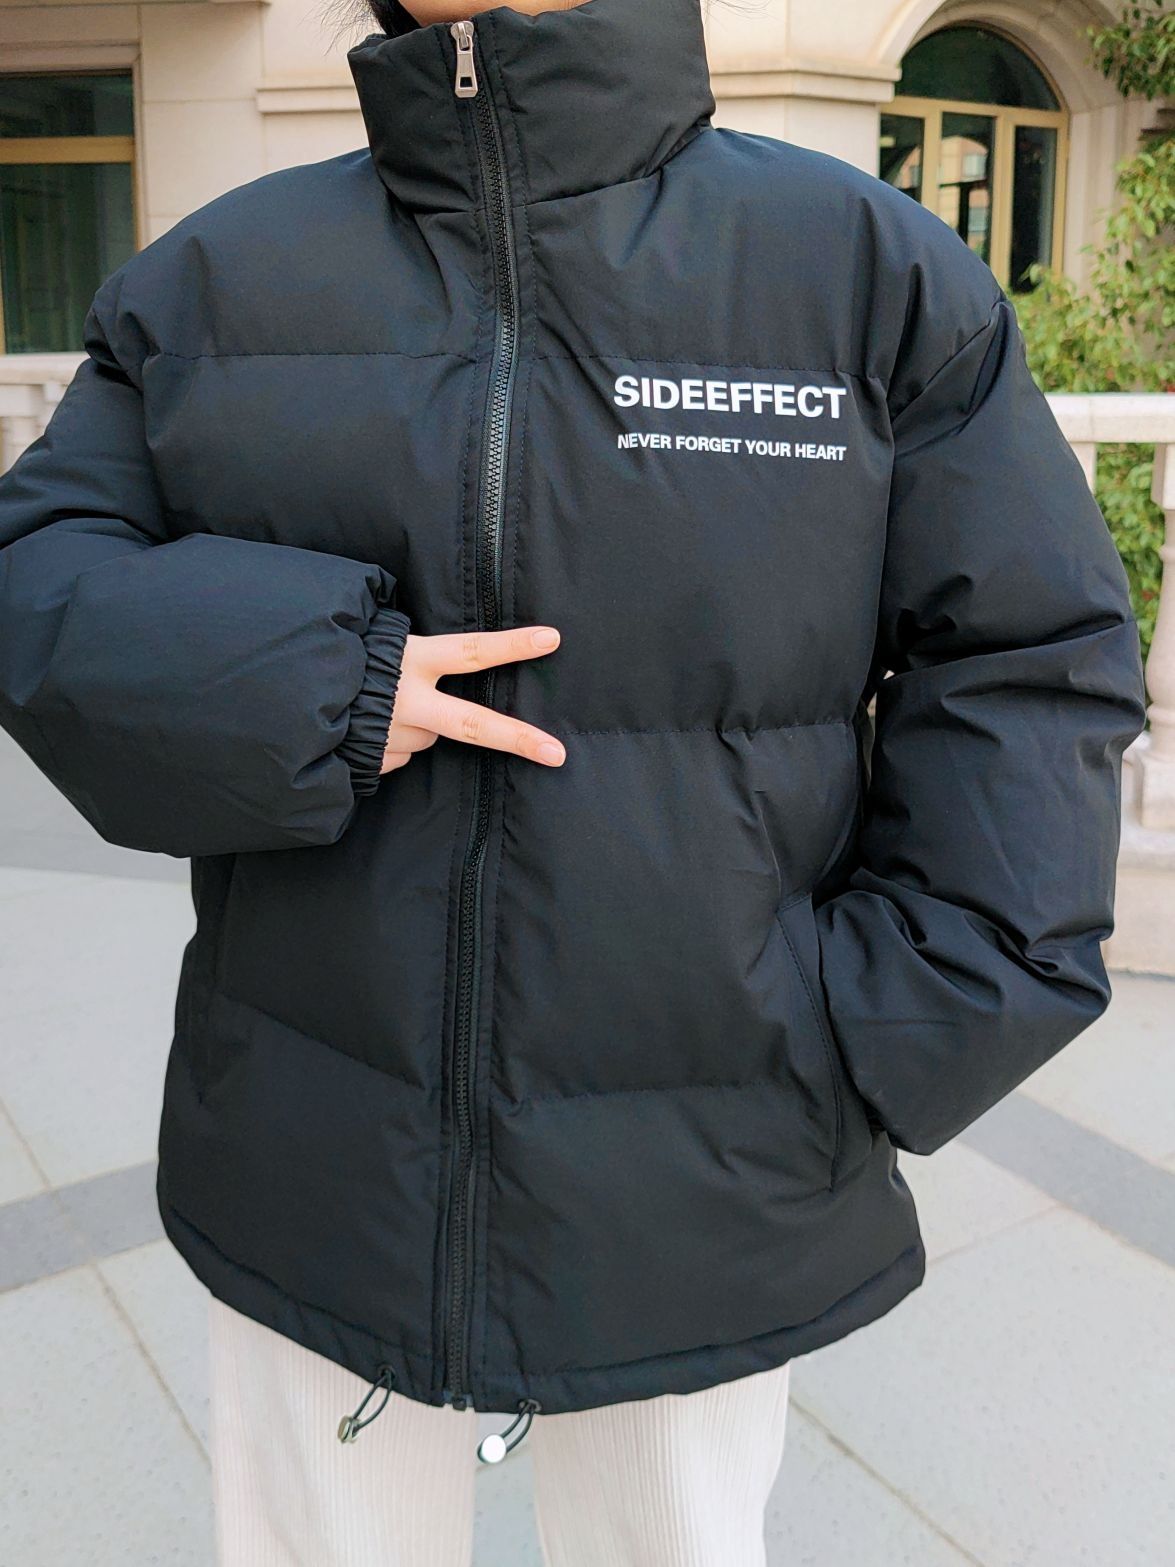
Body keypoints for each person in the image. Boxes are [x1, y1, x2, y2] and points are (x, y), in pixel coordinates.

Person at [0, 0, 1147, 1561]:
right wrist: (322, 680)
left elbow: (1028, 651)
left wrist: (888, 1028)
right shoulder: (219, 277)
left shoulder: (860, 273)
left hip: (713, 1163)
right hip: (314, 1152)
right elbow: (39, 577)